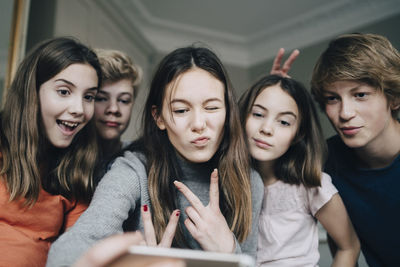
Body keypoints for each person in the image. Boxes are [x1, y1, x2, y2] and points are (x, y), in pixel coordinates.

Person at [46, 45, 264, 266]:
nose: (199, 124)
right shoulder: (133, 170)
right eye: (181, 110)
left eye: (212, 108)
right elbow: (80, 241)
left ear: (227, 112)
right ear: (159, 117)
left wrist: (230, 251)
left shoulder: (249, 181)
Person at [0, 37, 102, 267]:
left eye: (89, 97)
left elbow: (79, 251)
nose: (78, 109)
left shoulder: (76, 172)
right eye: (64, 91)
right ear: (32, 91)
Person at [239, 75, 360, 266]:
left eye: (284, 122)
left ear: (298, 134)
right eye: (258, 114)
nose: (267, 128)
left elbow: (349, 246)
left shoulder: (311, 184)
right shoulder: (228, 183)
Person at [310, 33, 400, 267]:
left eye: (360, 95)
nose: (345, 113)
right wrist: (276, 95)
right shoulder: (327, 160)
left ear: (393, 98)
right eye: (332, 98)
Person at [93, 49, 142, 184]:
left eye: (124, 100)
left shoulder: (142, 161)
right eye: (101, 98)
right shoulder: (62, 160)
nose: (113, 109)